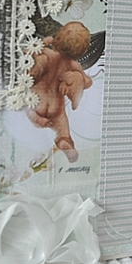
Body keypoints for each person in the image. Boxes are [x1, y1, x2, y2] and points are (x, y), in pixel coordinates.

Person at [26, 22, 92, 163]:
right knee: (63, 131)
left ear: (58, 37)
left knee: (27, 109)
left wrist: (44, 42)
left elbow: (28, 55)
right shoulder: (73, 66)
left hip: (36, 104)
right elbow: (87, 82)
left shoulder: (46, 55)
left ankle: (36, 119)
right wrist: (76, 77)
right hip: (57, 111)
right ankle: (64, 141)